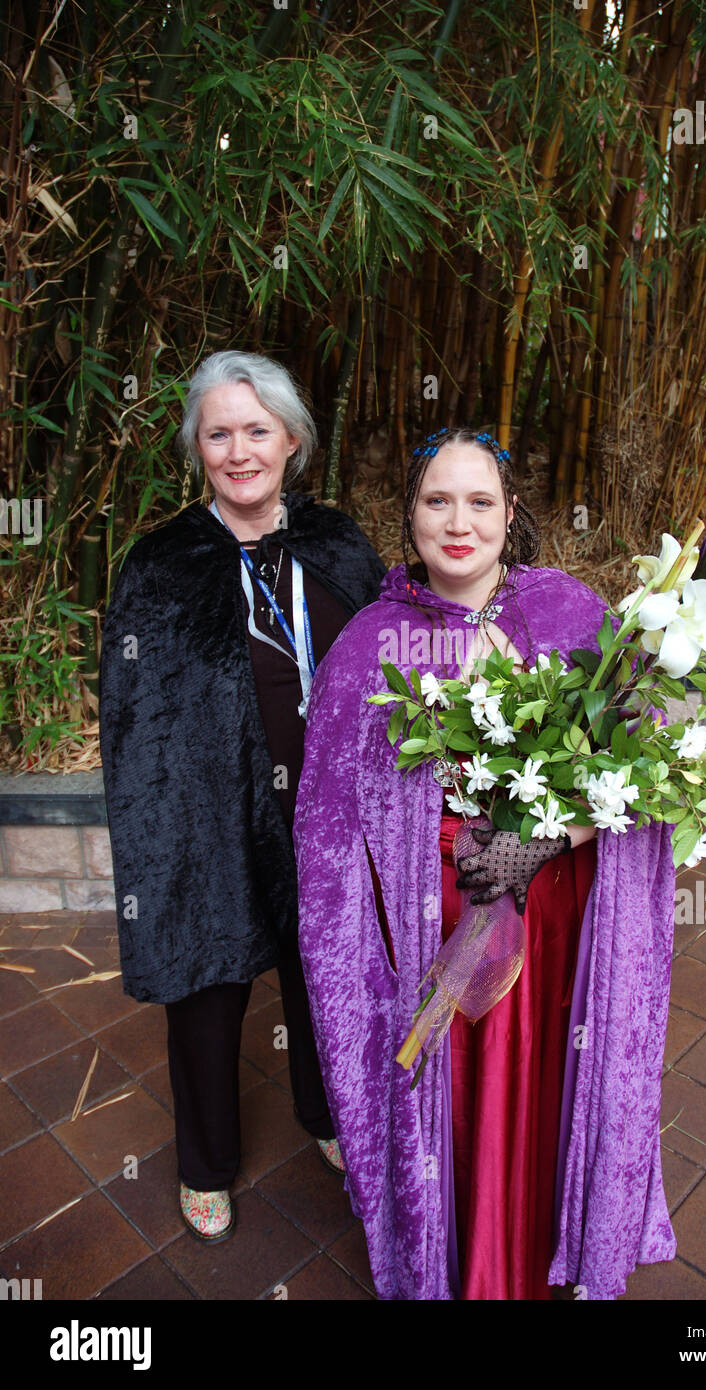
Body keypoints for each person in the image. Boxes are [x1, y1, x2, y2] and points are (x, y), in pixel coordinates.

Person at [294, 426, 677, 1300]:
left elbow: (641, 771)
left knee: (548, 1070)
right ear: (411, 515)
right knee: (454, 1093)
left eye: (480, 502)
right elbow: (326, 828)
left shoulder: (572, 615)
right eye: (437, 501)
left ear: (512, 514)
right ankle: (463, 1261)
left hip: (554, 910)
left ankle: (550, 1243)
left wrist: (547, 840)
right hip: (437, 916)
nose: (458, 523)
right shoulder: (371, 643)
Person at [99, 350, 385, 1242]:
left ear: (291, 439)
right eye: (218, 433)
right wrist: (162, 831)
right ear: (197, 449)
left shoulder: (338, 546)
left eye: (256, 430)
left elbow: (391, 678)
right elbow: (132, 717)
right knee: (209, 984)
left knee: (325, 971)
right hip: (208, 815)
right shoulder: (160, 566)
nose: (238, 450)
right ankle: (205, 1163)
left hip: (326, 812)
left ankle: (330, 1114)